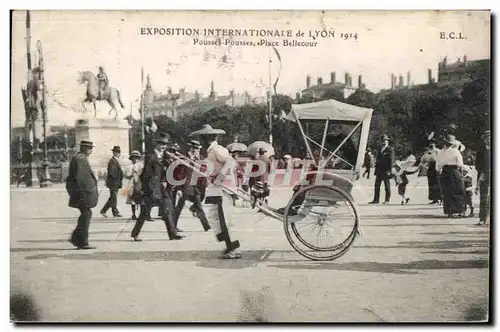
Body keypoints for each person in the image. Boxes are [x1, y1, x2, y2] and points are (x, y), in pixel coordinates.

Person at [190, 124, 241, 259]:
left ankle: (233, 249)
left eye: (203, 137)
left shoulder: (217, 149)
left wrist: (219, 178)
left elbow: (230, 163)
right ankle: (229, 244)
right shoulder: (209, 151)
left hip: (223, 188)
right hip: (213, 188)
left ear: (209, 138)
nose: (201, 140)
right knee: (214, 217)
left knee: (224, 218)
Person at [130, 135, 185, 241]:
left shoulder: (163, 156)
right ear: (157, 144)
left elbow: (166, 170)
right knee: (145, 213)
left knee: (167, 209)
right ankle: (135, 234)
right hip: (151, 188)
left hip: (160, 187)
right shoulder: (151, 157)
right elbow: (146, 175)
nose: (164, 146)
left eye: (165, 144)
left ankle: (172, 234)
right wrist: (150, 190)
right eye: (162, 144)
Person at [66, 140, 98, 249]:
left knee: (86, 214)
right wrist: (87, 192)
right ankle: (82, 241)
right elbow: (81, 179)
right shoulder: (81, 159)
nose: (91, 150)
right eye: (89, 148)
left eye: (91, 148)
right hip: (82, 194)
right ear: (84, 148)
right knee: (86, 214)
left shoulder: (79, 158)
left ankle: (77, 238)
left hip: (80, 193)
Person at [173, 140, 211, 232]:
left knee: (198, 205)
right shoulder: (184, 158)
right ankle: (173, 226)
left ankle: (206, 226)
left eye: (197, 148)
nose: (195, 150)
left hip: (195, 187)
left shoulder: (200, 158)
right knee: (180, 207)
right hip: (185, 186)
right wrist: (179, 188)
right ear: (190, 148)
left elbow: (204, 171)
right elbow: (179, 174)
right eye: (193, 148)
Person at [436, 134, 466, 218]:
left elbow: (437, 166)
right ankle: (460, 211)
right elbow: (460, 164)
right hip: (455, 171)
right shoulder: (456, 151)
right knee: (459, 190)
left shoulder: (440, 152)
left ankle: (450, 212)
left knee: (447, 192)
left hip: (445, 172)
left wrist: (439, 173)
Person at [369, 135, 394, 204]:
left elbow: (391, 161)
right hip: (379, 170)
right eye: (382, 141)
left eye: (385, 140)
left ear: (388, 141)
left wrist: (390, 170)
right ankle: (376, 200)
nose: (384, 142)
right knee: (377, 185)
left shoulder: (390, 149)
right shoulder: (379, 149)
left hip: (386, 170)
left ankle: (387, 200)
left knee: (387, 185)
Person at [100, 146, 123, 218]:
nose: (119, 154)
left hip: (115, 182)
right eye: (118, 152)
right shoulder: (112, 161)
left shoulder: (115, 160)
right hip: (113, 182)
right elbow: (112, 173)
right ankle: (115, 212)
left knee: (112, 198)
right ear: (115, 153)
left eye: (119, 152)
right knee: (114, 198)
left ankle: (103, 210)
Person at [475, 130, 491, 226]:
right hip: (483, 175)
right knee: (483, 197)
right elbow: (477, 164)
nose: (489, 139)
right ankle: (482, 219)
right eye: (487, 138)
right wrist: (483, 172)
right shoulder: (481, 150)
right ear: (484, 140)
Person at [419, 138, 442, 204]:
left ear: (435, 144)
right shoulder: (426, 152)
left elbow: (440, 159)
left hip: (436, 167)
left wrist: (440, 168)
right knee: (431, 183)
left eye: (433, 143)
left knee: (437, 183)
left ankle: (440, 198)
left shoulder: (437, 151)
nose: (431, 144)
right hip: (430, 168)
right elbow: (422, 160)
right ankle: (434, 198)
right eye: (430, 143)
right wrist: (423, 165)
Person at [125, 151, 144, 220]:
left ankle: (142, 214)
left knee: (141, 199)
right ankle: (133, 214)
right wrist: (130, 175)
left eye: (136, 158)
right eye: (133, 158)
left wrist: (138, 174)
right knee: (132, 199)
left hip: (139, 183)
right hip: (131, 184)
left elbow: (142, 174)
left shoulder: (141, 166)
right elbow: (127, 175)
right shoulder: (129, 166)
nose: (135, 159)